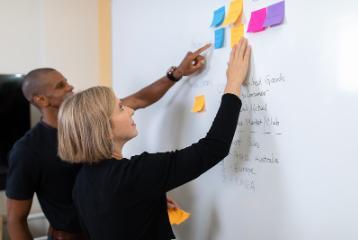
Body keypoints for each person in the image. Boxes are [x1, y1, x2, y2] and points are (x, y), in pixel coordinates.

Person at [6, 43, 210, 240]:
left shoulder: (95, 118)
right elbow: (16, 219)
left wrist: (175, 74)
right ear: (41, 100)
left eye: (66, 81)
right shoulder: (27, 151)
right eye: (61, 86)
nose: (71, 87)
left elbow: (140, 99)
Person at [57, 38, 251, 240]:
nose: (131, 110)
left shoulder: (83, 180)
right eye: (121, 108)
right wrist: (233, 82)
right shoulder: (134, 174)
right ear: (104, 130)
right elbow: (213, 148)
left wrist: (148, 201)